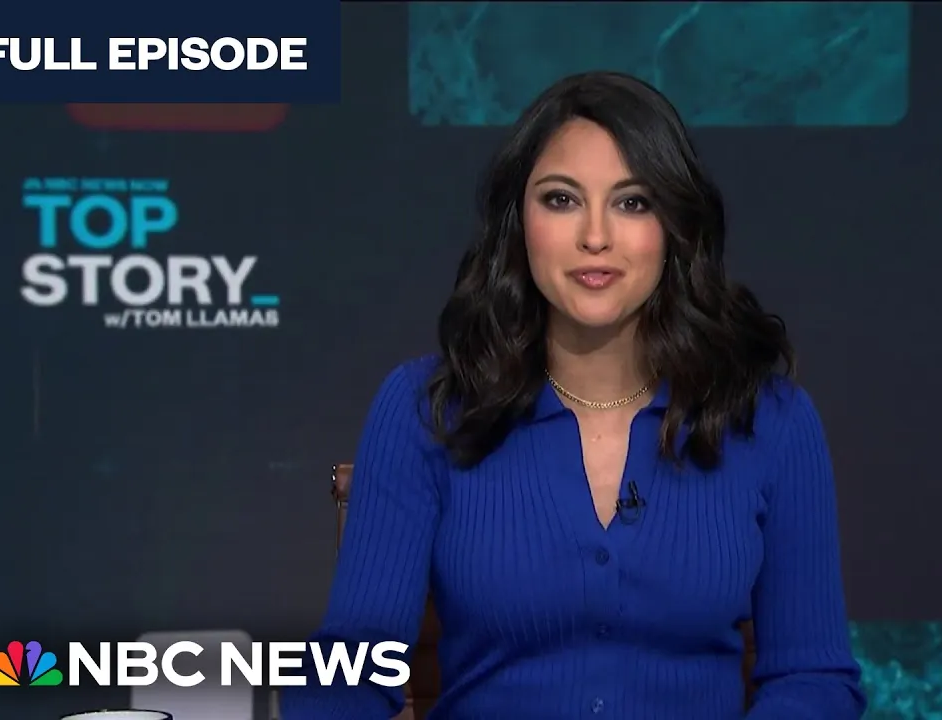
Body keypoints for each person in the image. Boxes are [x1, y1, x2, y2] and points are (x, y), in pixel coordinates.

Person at [281, 71, 866, 719]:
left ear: (676, 226)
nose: (595, 236)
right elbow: (350, 674)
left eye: (632, 202)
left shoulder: (771, 421)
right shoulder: (427, 408)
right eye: (561, 200)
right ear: (518, 222)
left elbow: (812, 678)